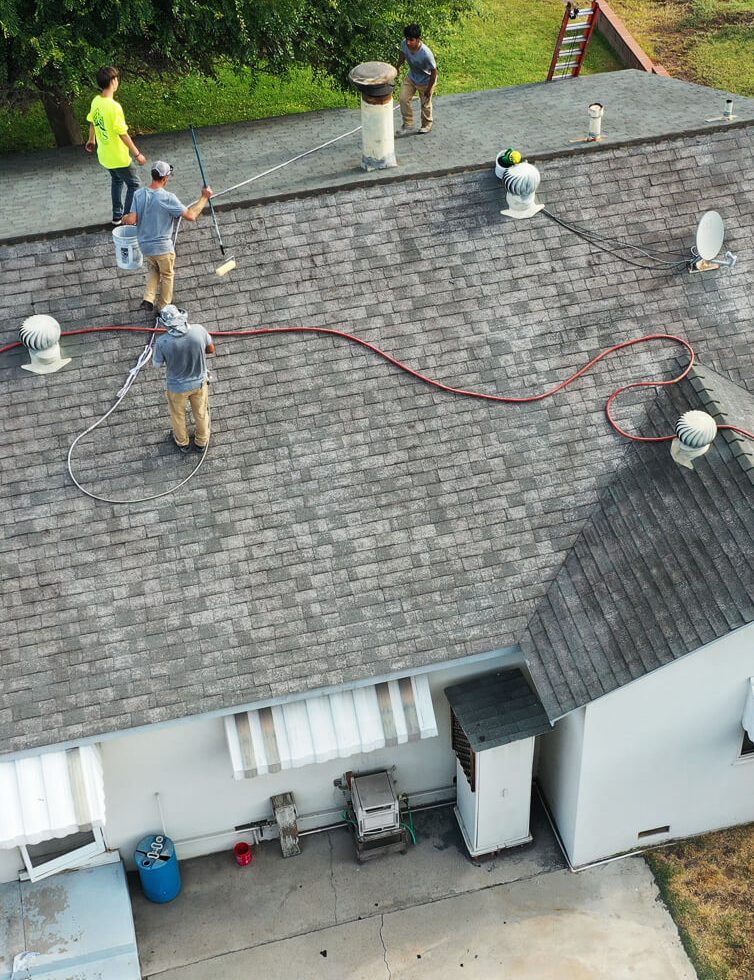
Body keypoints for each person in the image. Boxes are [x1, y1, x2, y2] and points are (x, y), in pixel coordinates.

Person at [121, 162, 213, 313]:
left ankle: (148, 299)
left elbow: (131, 220)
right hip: (163, 248)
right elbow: (191, 215)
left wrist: (124, 218)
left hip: (146, 247)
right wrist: (204, 197)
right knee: (167, 275)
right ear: (165, 178)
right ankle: (163, 308)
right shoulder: (168, 198)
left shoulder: (139, 194)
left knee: (153, 269)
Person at [86, 66, 147, 225]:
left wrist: (91, 140)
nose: (117, 82)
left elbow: (92, 122)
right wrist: (137, 154)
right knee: (135, 185)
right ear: (113, 81)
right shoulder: (114, 107)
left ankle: (116, 216)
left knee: (117, 180)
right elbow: (122, 133)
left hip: (105, 156)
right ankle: (127, 218)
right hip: (119, 157)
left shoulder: (96, 101)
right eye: (117, 79)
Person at [152, 305, 215, 453]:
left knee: (178, 415)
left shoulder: (162, 342)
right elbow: (211, 349)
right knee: (200, 412)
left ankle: (183, 443)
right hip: (199, 383)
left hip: (176, 387)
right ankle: (201, 441)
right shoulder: (199, 330)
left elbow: (157, 364)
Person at [396, 24, 438, 136]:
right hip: (412, 77)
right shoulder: (404, 44)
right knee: (403, 99)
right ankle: (408, 123)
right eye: (407, 39)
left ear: (418, 39)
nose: (409, 42)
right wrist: (397, 66)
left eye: (411, 40)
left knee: (425, 104)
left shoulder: (426, 53)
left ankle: (427, 124)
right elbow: (403, 54)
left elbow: (434, 72)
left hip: (426, 80)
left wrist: (429, 89)